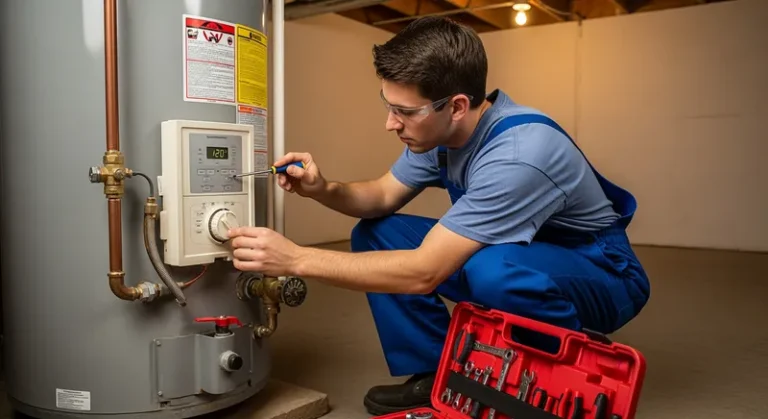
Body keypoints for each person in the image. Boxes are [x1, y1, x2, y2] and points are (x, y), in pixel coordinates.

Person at [227, 16, 650, 415]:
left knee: (492, 270)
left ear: (458, 105)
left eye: (405, 112)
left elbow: (424, 272)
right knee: (379, 233)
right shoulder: (445, 135)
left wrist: (296, 259)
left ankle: (564, 376)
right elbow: (380, 197)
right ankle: (436, 374)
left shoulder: (520, 155)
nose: (390, 124)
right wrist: (323, 189)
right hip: (528, 252)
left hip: (604, 273)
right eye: (388, 104)